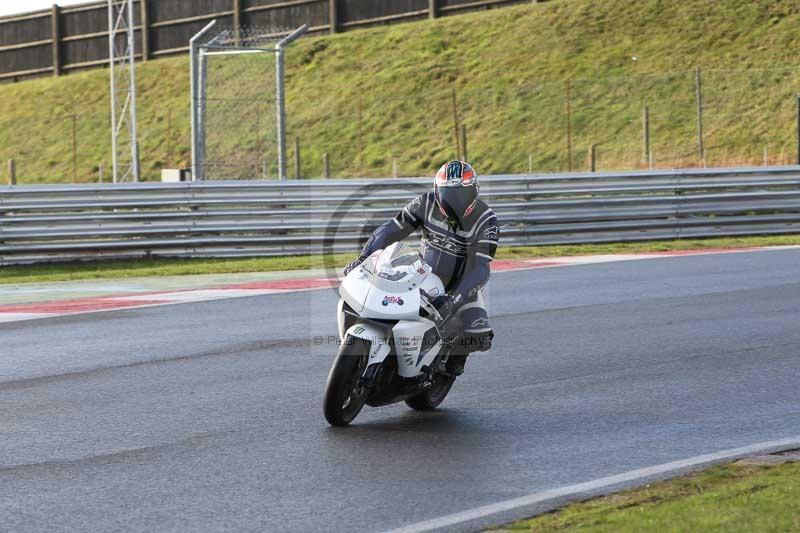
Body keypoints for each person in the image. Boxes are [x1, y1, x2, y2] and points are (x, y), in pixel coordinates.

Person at [344, 160, 500, 375]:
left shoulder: (486, 219)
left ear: (475, 191)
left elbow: (481, 268)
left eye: (461, 195)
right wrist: (364, 258)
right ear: (437, 190)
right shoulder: (425, 203)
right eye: (448, 194)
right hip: (421, 272)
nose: (454, 201)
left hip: (461, 283)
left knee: (479, 336)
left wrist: (455, 298)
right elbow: (391, 230)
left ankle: (449, 361)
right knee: (383, 292)